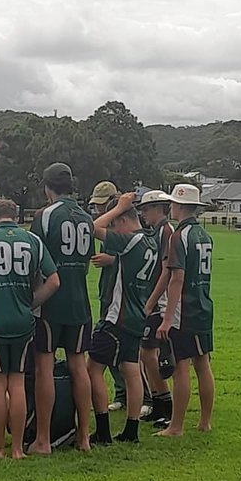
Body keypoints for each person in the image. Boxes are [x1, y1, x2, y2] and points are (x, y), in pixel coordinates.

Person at [0, 198, 60, 458]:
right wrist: (33, 302)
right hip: (23, 321)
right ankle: (17, 448)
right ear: (16, 217)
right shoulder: (33, 241)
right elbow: (54, 280)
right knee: (17, 383)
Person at [29, 162, 95, 454]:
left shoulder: (44, 216)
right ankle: (83, 437)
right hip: (80, 300)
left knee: (44, 367)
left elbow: (34, 263)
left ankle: (43, 439)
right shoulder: (87, 217)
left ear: (47, 187)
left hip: (50, 303)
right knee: (79, 366)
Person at [87, 193, 159, 444]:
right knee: (130, 369)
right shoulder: (150, 241)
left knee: (92, 369)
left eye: (115, 222)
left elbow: (92, 228)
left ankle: (103, 430)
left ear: (122, 221)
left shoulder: (130, 240)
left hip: (117, 317)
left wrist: (117, 208)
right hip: (137, 315)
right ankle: (131, 430)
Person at [155, 183, 215, 437]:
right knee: (203, 364)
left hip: (186, 311)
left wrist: (167, 319)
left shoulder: (179, 237)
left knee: (181, 366)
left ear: (178, 205)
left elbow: (176, 278)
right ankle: (204, 421)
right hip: (204, 306)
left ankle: (176, 426)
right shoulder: (205, 236)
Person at [87, 179, 126, 413]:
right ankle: (121, 394)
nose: (99, 210)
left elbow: (141, 254)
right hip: (107, 292)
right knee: (109, 350)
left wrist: (111, 260)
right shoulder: (108, 228)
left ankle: (143, 396)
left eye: (103, 205)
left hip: (122, 298)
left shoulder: (123, 228)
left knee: (124, 350)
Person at [139, 189, 176, 424]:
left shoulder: (165, 231)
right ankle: (158, 400)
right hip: (153, 300)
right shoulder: (156, 231)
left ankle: (165, 403)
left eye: (146, 209)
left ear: (157, 209)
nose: (143, 214)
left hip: (159, 304)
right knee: (146, 354)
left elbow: (166, 270)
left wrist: (151, 302)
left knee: (150, 354)